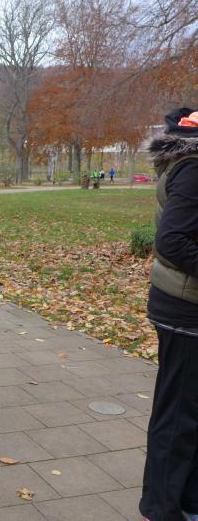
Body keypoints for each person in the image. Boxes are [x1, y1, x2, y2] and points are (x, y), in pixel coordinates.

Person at [140, 107, 198, 521]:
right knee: (178, 416)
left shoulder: (186, 162)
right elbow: (172, 240)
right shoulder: (194, 168)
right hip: (185, 309)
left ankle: (188, 502)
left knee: (188, 413)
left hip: (182, 303)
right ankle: (161, 509)